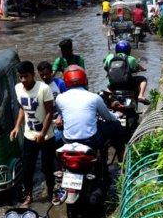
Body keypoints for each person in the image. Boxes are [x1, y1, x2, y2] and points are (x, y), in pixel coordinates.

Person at [10, 61, 56, 205]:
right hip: (29, 135)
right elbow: (22, 108)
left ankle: (51, 190)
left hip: (46, 136)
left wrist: (43, 133)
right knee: (27, 168)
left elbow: (49, 112)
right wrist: (17, 126)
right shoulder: (18, 88)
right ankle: (29, 195)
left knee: (47, 167)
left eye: (26, 76)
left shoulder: (44, 89)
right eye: (21, 77)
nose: (23, 80)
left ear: (33, 75)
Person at [55, 65, 125, 157]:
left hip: (68, 141)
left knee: (57, 133)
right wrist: (116, 115)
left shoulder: (59, 98)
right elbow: (108, 117)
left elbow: (61, 112)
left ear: (66, 81)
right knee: (116, 125)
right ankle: (121, 157)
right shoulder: (94, 97)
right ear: (85, 80)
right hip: (91, 140)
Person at [103, 40, 150, 104]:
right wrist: (143, 69)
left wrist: (108, 73)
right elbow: (137, 67)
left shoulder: (109, 57)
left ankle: (106, 100)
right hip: (127, 84)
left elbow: (105, 67)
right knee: (143, 79)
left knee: (107, 90)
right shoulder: (131, 59)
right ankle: (141, 95)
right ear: (129, 50)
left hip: (113, 85)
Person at [38, 60, 67, 146]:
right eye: (42, 75)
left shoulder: (60, 83)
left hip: (59, 119)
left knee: (58, 141)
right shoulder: (39, 86)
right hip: (46, 121)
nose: (44, 77)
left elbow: (67, 102)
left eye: (46, 74)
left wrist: (60, 116)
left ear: (51, 72)